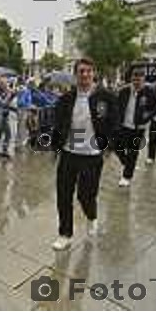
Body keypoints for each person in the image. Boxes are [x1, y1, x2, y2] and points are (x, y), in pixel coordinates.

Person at [50, 57, 119, 251]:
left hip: (92, 154)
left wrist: (109, 147)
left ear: (93, 73)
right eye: (81, 71)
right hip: (69, 153)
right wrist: (55, 147)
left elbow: (114, 124)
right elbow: (58, 124)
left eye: (88, 71)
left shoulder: (105, 97)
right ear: (76, 74)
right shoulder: (66, 99)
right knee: (64, 195)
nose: (85, 74)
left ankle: (91, 216)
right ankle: (65, 233)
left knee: (85, 195)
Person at [115, 70, 156, 187]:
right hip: (123, 126)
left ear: (143, 80)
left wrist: (147, 116)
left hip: (138, 128)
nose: (136, 83)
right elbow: (117, 106)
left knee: (133, 152)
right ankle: (127, 163)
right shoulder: (124, 91)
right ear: (131, 79)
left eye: (139, 80)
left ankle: (126, 176)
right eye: (134, 80)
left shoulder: (149, 92)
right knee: (116, 146)